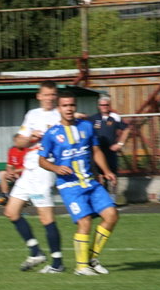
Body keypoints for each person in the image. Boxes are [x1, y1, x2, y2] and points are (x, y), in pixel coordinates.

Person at [39, 92, 119, 276]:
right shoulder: (52, 134)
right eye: (65, 106)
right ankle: (81, 267)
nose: (69, 109)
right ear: (59, 109)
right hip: (70, 187)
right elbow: (41, 161)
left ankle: (91, 258)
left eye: (71, 105)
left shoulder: (86, 126)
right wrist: (56, 168)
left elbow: (96, 151)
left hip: (91, 181)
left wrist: (106, 171)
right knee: (85, 222)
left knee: (112, 215)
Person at [4, 80, 64, 274]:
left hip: (43, 170)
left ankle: (57, 263)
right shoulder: (32, 115)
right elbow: (19, 141)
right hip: (28, 169)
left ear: (56, 96)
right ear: (39, 96)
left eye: (52, 94)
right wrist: (31, 137)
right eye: (46, 95)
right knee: (11, 212)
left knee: (45, 217)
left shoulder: (60, 115)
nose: (49, 98)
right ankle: (36, 252)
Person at [88, 96, 130, 190]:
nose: (104, 107)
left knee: (113, 176)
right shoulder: (93, 118)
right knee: (100, 177)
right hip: (97, 153)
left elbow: (127, 129)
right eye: (102, 105)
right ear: (98, 106)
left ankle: (113, 199)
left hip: (110, 152)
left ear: (109, 105)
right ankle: (103, 200)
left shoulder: (114, 117)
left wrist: (120, 144)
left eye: (106, 105)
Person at [0, 134, 29, 206]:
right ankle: (5, 196)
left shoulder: (28, 150)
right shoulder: (12, 150)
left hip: (26, 174)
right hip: (15, 174)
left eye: (23, 139)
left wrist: (15, 172)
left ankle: (24, 200)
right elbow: (9, 165)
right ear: (15, 141)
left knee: (21, 177)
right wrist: (9, 172)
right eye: (19, 140)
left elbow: (28, 167)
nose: (22, 141)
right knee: (2, 174)